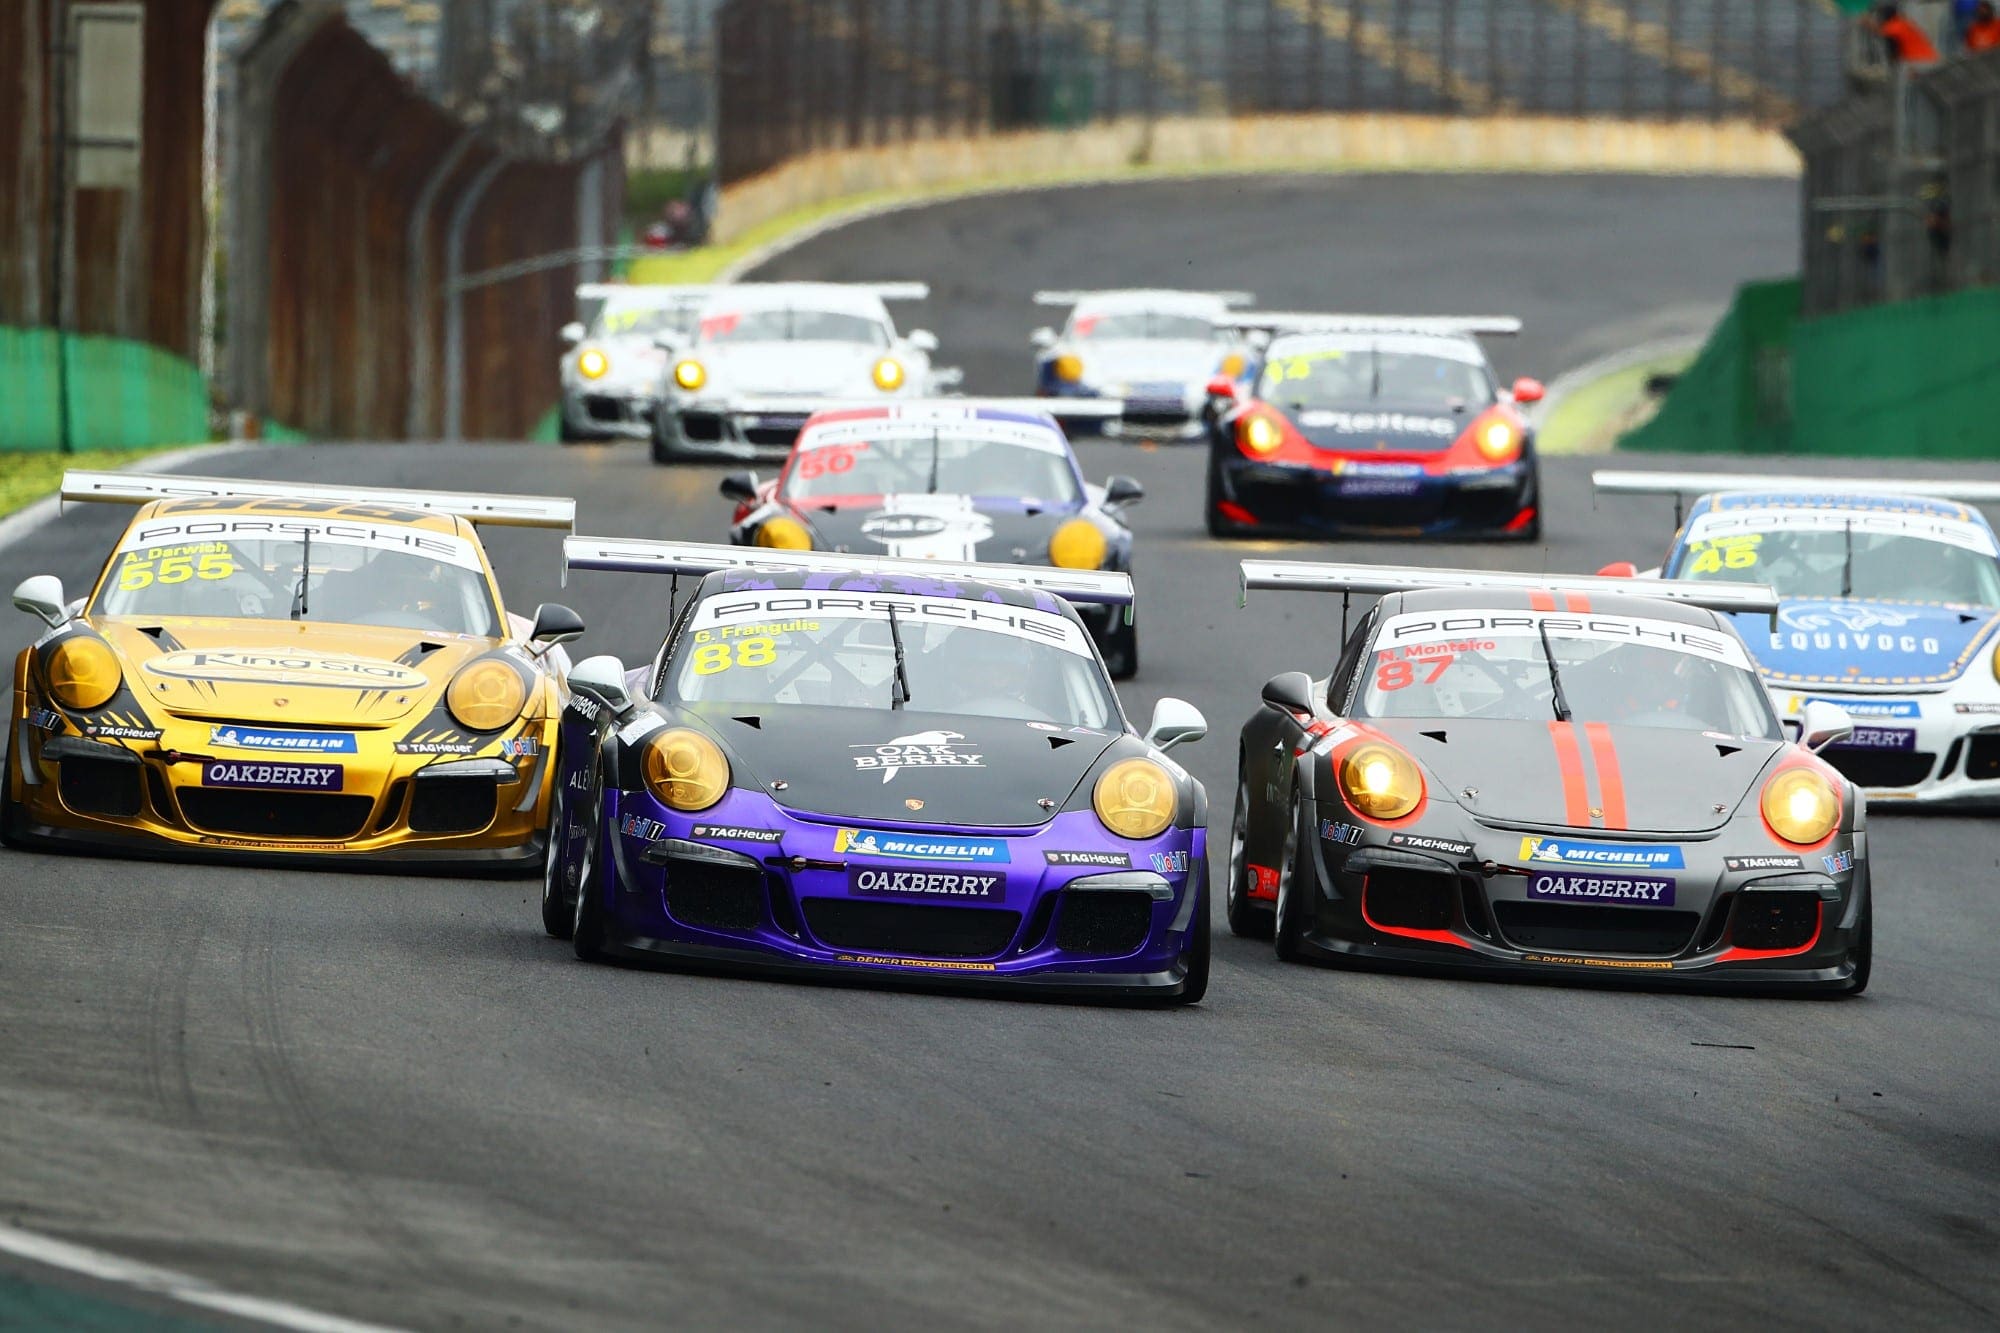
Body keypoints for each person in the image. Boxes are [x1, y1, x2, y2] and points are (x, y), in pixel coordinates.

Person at [1869, 4, 1941, 64]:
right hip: (1928, 58)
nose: (1879, 19)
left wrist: (1867, 22)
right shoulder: (1902, 22)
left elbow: (1881, 31)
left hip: (1920, 61)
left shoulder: (1895, 25)